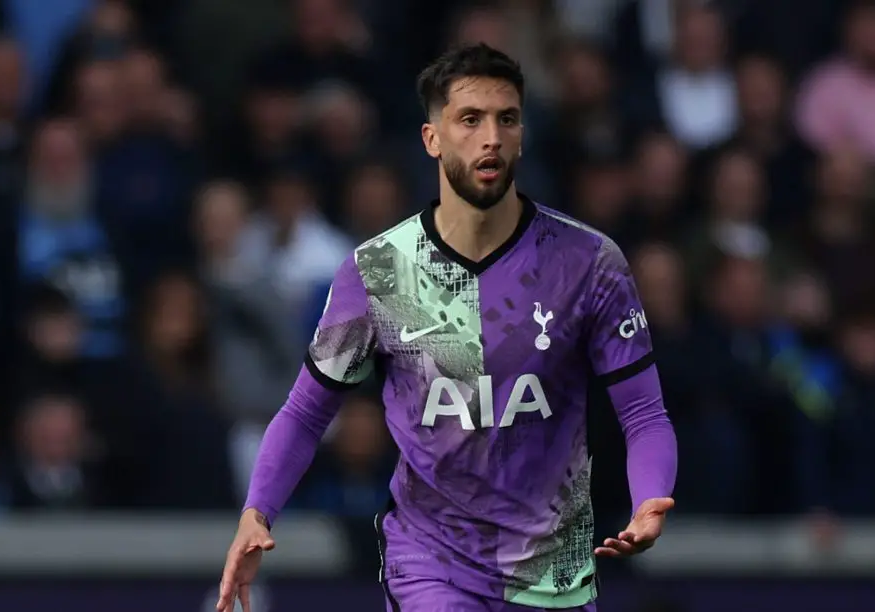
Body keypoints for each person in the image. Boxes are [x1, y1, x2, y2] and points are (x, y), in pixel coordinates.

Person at [217, 44, 678, 612]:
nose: (491, 137)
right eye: (470, 119)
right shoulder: (381, 271)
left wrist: (651, 498)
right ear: (432, 138)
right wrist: (257, 511)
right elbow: (307, 411)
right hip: (430, 566)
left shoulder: (587, 263)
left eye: (506, 119)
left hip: (553, 575)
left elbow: (643, 413)